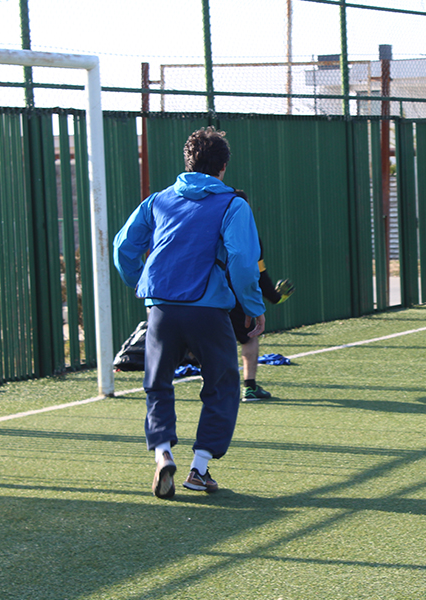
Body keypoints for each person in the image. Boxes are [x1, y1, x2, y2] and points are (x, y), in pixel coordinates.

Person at [113, 127, 265, 499]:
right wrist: (253, 306)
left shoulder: (158, 200)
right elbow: (244, 261)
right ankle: (199, 468)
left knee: (158, 383)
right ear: (223, 167)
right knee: (223, 384)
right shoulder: (233, 204)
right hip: (208, 309)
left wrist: (141, 284)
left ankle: (163, 454)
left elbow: (123, 248)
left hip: (162, 308)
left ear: (189, 161)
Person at [224, 218, 294, 401]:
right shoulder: (249, 237)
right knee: (249, 337)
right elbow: (259, 274)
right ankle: (250, 387)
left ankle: (212, 385)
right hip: (237, 297)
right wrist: (276, 297)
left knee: (213, 341)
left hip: (208, 297)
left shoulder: (209, 233)